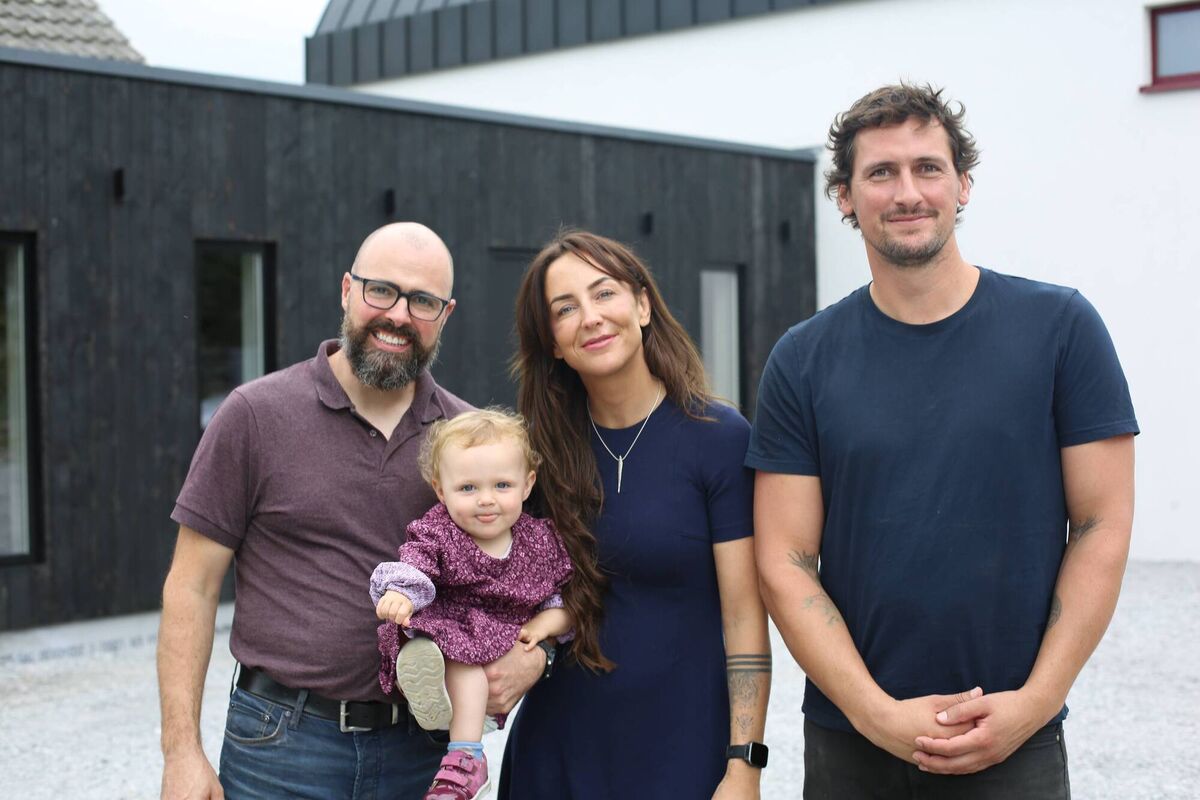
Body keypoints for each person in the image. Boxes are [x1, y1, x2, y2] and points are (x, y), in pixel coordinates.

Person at [748, 83, 1138, 799]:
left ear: (963, 185)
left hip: (1012, 734)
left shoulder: (1061, 329)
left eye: (927, 168)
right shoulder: (802, 359)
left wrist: (1037, 701)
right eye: (881, 172)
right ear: (844, 195)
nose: (908, 192)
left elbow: (1101, 525)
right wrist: (874, 713)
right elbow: (785, 559)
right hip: (852, 742)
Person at [157, 222, 546, 799]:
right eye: (380, 290)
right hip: (281, 747)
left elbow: (535, 567)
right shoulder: (255, 415)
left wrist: (536, 658)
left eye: (423, 301)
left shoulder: (472, 445)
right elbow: (191, 586)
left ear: (445, 316)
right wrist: (181, 751)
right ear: (347, 290)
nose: (398, 315)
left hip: (423, 753)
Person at [499, 230, 772, 799]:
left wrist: (744, 763)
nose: (591, 317)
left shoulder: (718, 438)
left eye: (604, 293)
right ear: (552, 343)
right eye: (565, 309)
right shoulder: (534, 456)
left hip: (683, 750)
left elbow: (744, 617)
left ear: (643, 306)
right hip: (557, 756)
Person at [369, 408, 574, 800]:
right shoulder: (439, 531)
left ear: (528, 484)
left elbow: (565, 602)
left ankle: (464, 752)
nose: (486, 500)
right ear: (440, 490)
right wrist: (400, 594)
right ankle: (462, 750)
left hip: (502, 641)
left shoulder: (540, 540)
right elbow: (416, 563)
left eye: (502, 485)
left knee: (472, 665)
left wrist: (544, 626)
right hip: (452, 632)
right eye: (467, 488)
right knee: (455, 656)